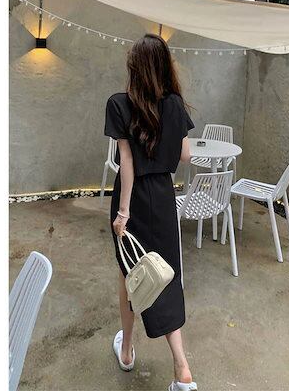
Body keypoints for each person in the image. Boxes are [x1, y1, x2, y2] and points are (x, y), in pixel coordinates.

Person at [104, 33, 197, 391]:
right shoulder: (174, 104)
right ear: (164, 67)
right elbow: (186, 156)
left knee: (132, 274)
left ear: (134, 67)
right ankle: (182, 367)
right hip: (162, 196)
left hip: (134, 200)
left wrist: (123, 212)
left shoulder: (118, 104)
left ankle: (127, 351)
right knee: (165, 275)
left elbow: (126, 162)